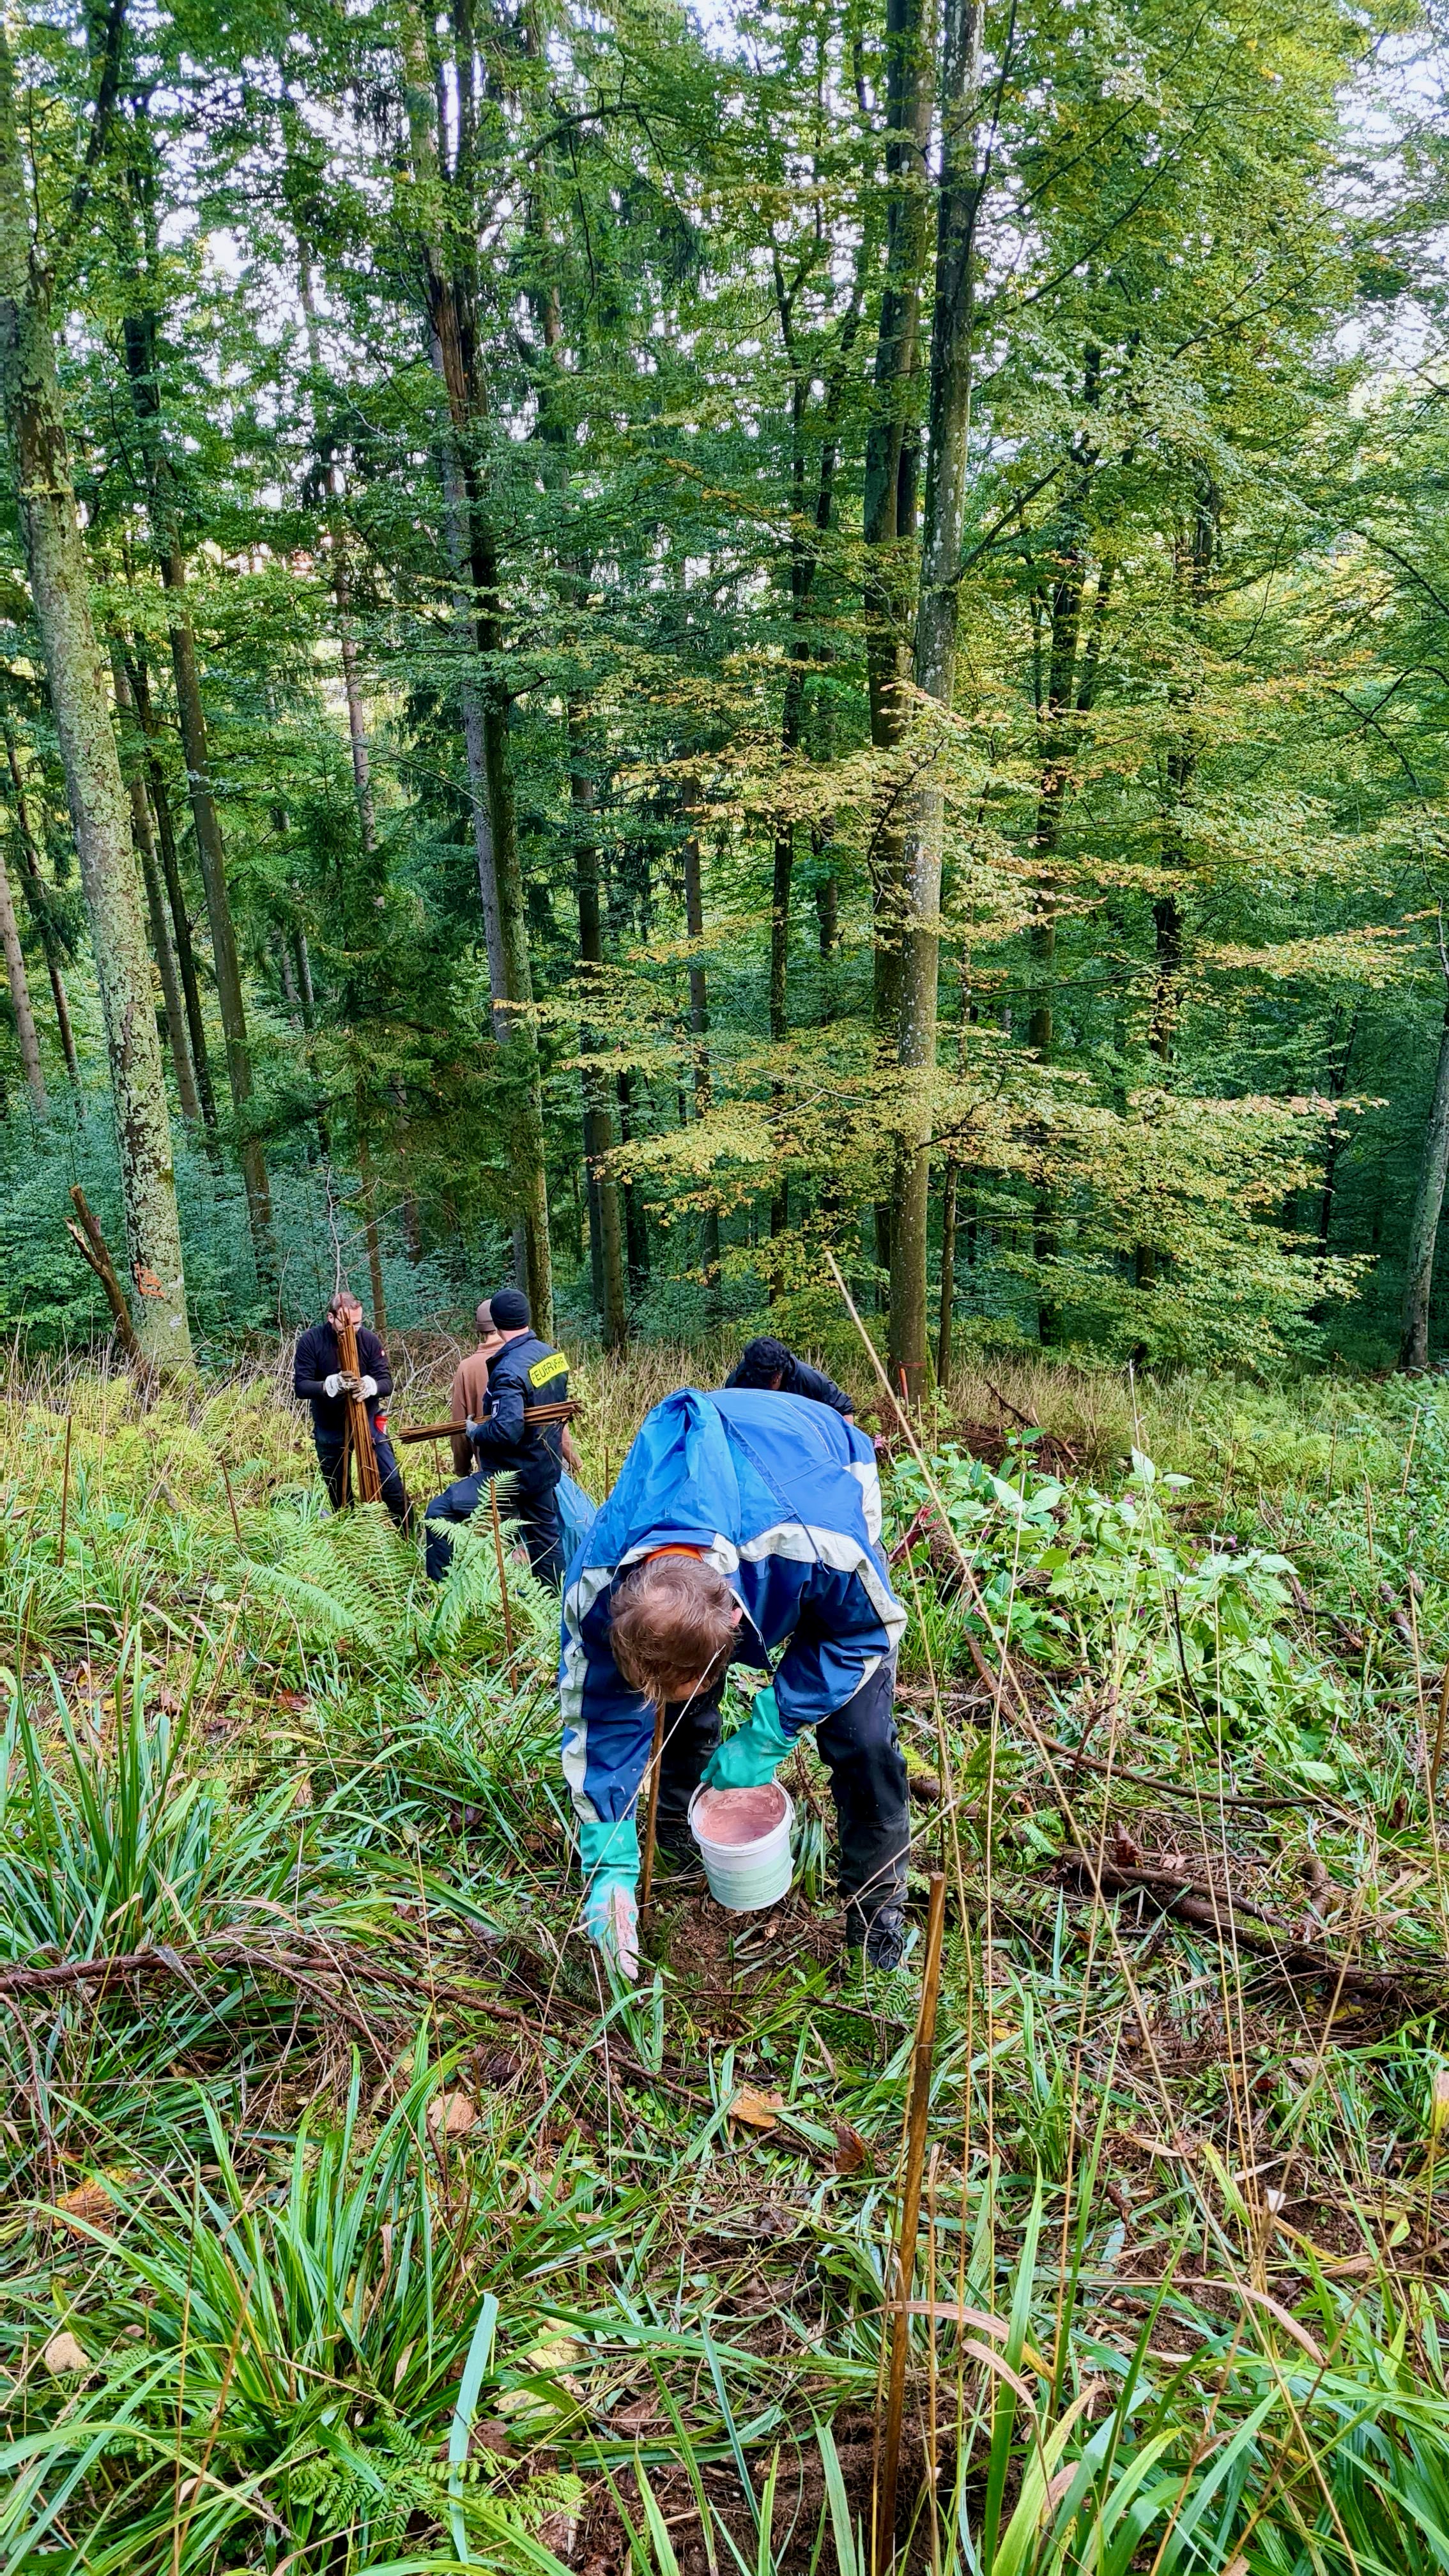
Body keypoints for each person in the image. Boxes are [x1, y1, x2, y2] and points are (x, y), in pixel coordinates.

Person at [560, 1384, 910, 1981]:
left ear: (736, 1625)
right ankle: (674, 1829)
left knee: (863, 1737)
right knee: (680, 1703)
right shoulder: (597, 1589)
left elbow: (868, 1630)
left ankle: (876, 1915)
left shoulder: (822, 1544)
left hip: (812, 1465)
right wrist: (609, 1863)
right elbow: (601, 1719)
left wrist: (770, 1730)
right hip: (714, 1527)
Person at [424, 1287, 569, 1588]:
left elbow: (507, 1429)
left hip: (510, 1475)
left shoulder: (507, 1370)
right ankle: (555, 1606)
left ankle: (444, 1595)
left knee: (439, 1512)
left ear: (497, 1322)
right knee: (547, 1542)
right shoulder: (552, 1357)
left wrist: (476, 1431)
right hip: (543, 1469)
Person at [293, 1288, 410, 1526]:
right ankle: (352, 1539)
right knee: (339, 1494)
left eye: (358, 1323)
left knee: (391, 1482)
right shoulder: (311, 1341)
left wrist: (370, 1385)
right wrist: (330, 1384)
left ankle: (409, 1533)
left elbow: (387, 1382)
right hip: (330, 1427)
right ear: (331, 1317)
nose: (354, 1328)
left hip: (368, 1423)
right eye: (348, 1322)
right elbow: (301, 1386)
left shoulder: (367, 1340)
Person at [723, 1335, 855, 1418]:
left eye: (773, 1381)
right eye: (761, 1382)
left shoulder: (807, 1378)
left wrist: (847, 1451)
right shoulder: (737, 1382)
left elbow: (844, 1408)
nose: (767, 1388)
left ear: (781, 1372)